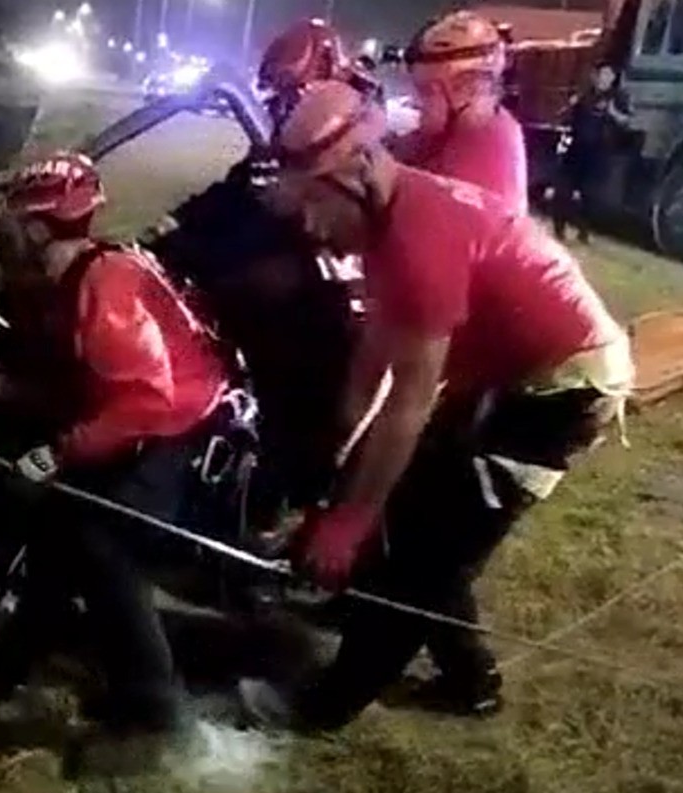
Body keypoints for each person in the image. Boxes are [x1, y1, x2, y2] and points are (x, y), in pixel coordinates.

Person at [239, 81, 634, 730]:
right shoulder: (390, 216)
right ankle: (466, 678)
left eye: (313, 204)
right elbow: (375, 353)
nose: (309, 227)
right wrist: (341, 457)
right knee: (420, 517)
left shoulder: (419, 241)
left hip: (564, 390)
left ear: (357, 175)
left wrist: (346, 521)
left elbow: (408, 404)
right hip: (508, 374)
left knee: (425, 556)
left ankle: (323, 707)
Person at [0, 151, 231, 741]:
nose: (0, 232)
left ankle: (155, 716)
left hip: (181, 427)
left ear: (41, 228)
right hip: (145, 415)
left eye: (15, 220)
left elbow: (144, 401)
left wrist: (56, 453)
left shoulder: (105, 284)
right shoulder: (56, 281)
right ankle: (13, 666)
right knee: (60, 534)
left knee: (104, 544)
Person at [393, 10, 528, 214]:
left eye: (427, 91)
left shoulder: (485, 148)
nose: (418, 104)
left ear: (467, 88)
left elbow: (424, 218)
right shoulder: (461, 128)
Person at [554, 62, 634, 244]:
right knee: (563, 191)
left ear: (613, 78)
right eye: (602, 74)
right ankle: (559, 230)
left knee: (590, 196)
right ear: (595, 76)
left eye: (609, 75)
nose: (605, 79)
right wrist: (570, 106)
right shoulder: (585, 94)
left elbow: (627, 122)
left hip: (599, 152)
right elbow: (564, 115)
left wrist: (613, 113)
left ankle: (584, 232)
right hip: (576, 149)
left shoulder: (618, 98)